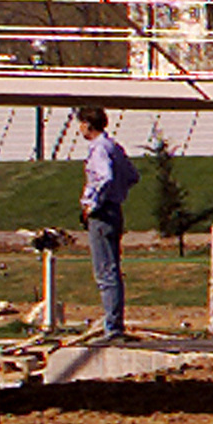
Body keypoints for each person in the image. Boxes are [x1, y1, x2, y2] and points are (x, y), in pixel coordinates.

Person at [74, 105, 131, 340]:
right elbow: (131, 175)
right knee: (113, 268)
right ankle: (114, 323)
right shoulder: (114, 147)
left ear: (88, 124)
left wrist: (93, 204)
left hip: (103, 213)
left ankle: (113, 327)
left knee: (105, 271)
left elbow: (104, 177)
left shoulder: (98, 149)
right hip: (115, 209)